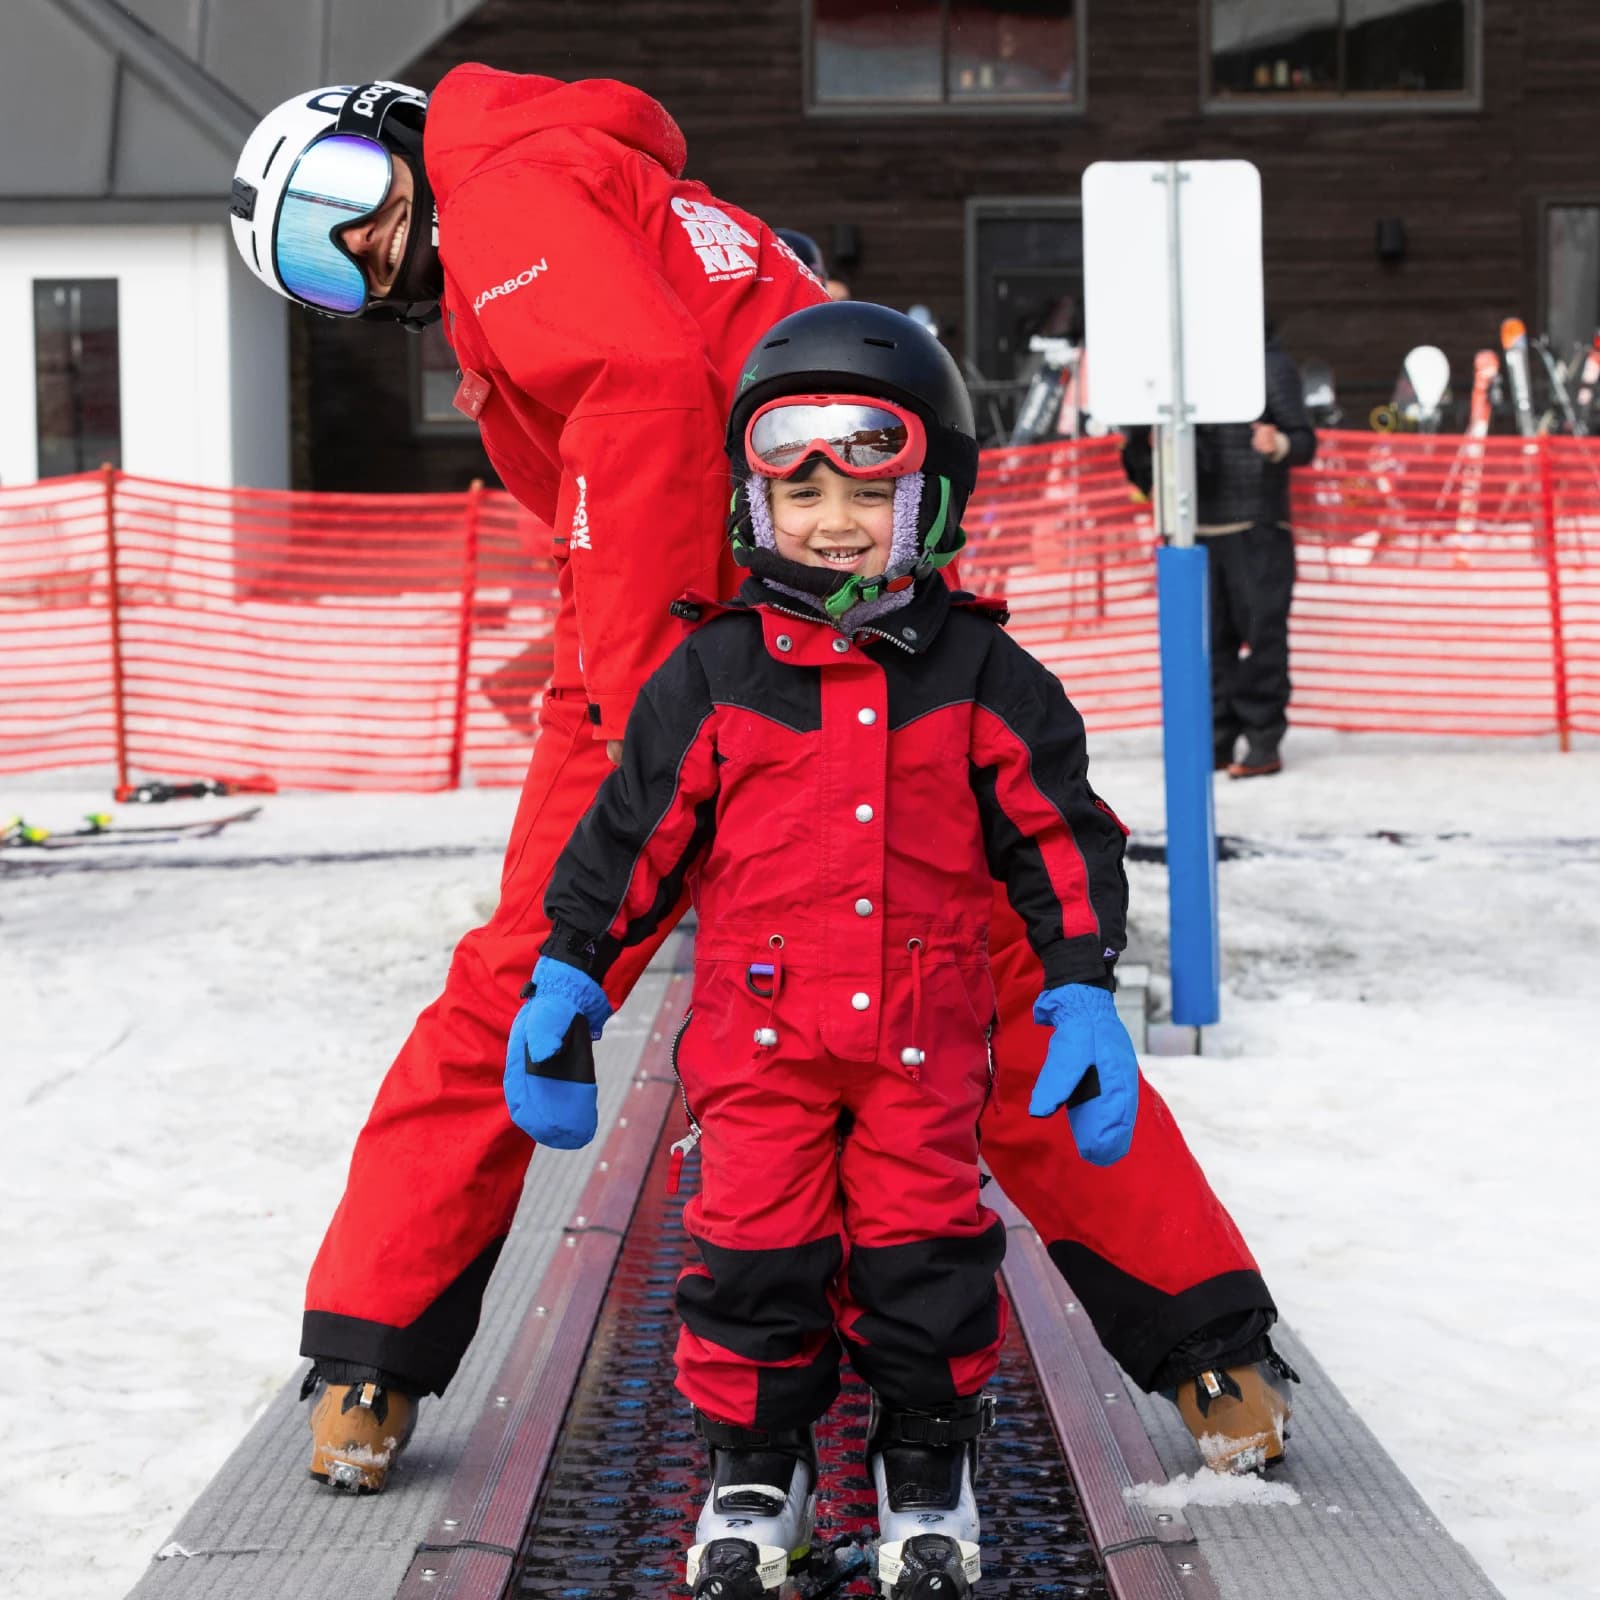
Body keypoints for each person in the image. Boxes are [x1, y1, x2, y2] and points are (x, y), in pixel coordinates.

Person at [228, 65, 1291, 1496]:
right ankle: (1211, 1343)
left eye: (346, 199)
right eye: (315, 261)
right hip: (825, 607)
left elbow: (649, 394)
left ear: (399, 132)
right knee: (969, 976)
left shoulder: (502, 187)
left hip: (739, 631)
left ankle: (373, 1345)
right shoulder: (604, 181)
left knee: (542, 963)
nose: (359, 246)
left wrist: (634, 686)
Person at [504, 300, 1138, 1596]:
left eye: (867, 477)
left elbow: (1059, 842)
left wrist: (1079, 988)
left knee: (924, 1256)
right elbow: (634, 840)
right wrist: (569, 977)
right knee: (746, 1254)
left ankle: (923, 1457)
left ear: (932, 491)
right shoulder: (717, 675)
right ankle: (756, 1461)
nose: (830, 515)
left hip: (923, 1043)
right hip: (761, 1049)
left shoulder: (982, 677)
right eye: (794, 486)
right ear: (754, 501)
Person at [1121, 325, 1317, 778]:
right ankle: (1218, 742)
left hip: (1256, 525)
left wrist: (1279, 443)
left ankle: (1263, 742)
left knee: (1262, 635)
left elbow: (1304, 441)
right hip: (1192, 525)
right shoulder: (1174, 369)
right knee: (1211, 642)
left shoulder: (1269, 363)